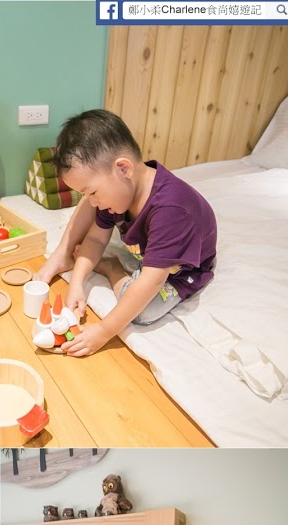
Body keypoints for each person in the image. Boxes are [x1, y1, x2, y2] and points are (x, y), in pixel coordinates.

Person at [35, 109, 217, 357]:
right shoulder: (118, 193)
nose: (92, 202)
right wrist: (76, 284)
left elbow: (153, 280)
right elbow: (95, 238)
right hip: (150, 256)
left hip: (182, 270)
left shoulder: (171, 209)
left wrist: (103, 331)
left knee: (143, 312)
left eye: (92, 192)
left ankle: (112, 267)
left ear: (123, 169)